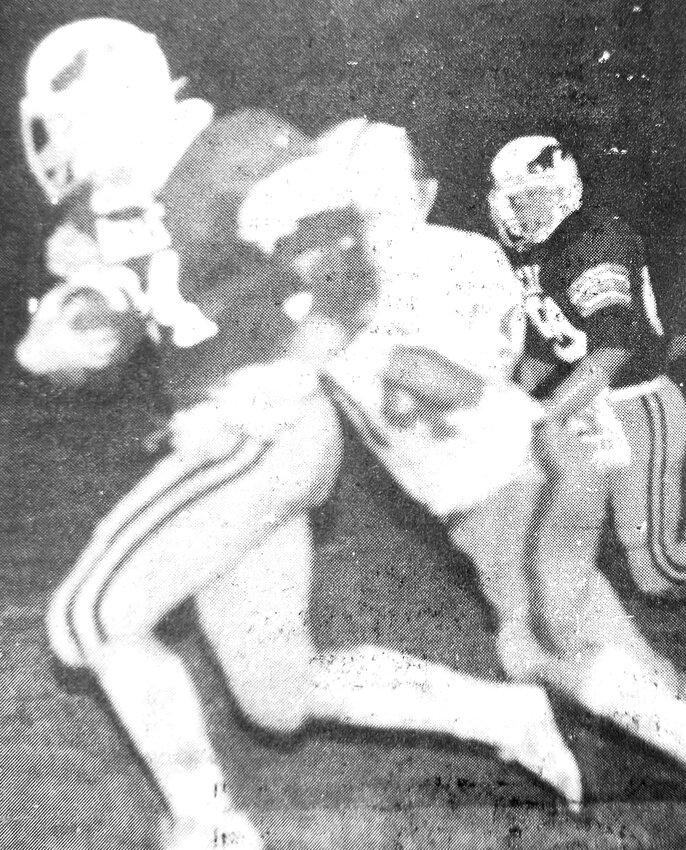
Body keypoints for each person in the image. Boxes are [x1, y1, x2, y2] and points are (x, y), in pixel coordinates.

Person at [16, 20, 582, 849]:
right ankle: (499, 712)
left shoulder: (237, 149)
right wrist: (59, 340)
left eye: (72, 120)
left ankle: (207, 826)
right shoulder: (122, 207)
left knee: (88, 618)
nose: (60, 146)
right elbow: (121, 323)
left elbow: (344, 281)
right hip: (248, 441)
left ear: (126, 102)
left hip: (265, 429)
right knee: (278, 692)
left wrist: (276, 384)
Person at [239, 122, 686, 784]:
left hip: (515, 478)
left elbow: (438, 370)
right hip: (512, 482)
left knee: (539, 647)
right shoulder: (421, 262)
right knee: (589, 630)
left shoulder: (393, 274)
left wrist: (356, 348)